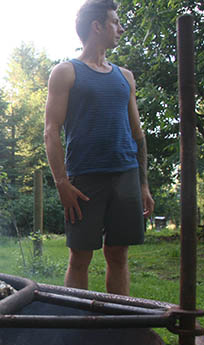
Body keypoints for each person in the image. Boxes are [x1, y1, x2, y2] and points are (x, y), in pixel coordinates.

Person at [44, 0, 154, 295]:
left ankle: (116, 328)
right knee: (80, 257)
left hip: (126, 176)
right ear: (97, 26)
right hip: (84, 180)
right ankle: (77, 333)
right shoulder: (66, 72)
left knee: (118, 255)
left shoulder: (125, 77)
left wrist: (143, 185)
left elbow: (137, 133)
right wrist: (62, 183)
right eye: (115, 22)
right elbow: (51, 130)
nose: (120, 28)